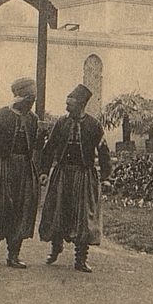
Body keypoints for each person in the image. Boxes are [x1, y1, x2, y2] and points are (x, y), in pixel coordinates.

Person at [38, 84, 112, 272]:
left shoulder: (94, 125)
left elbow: (103, 152)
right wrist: (44, 171)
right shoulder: (61, 123)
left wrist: (105, 176)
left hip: (84, 175)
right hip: (62, 175)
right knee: (58, 212)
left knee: (83, 218)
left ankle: (80, 259)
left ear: (80, 105)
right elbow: (49, 149)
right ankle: (55, 249)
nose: (66, 108)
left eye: (70, 105)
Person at [0, 77, 40, 268]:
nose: (31, 104)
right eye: (29, 100)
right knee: (0, 208)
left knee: (22, 210)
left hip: (24, 169)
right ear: (20, 98)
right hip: (4, 167)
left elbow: (35, 146)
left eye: (33, 100)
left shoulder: (33, 120)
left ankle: (13, 254)